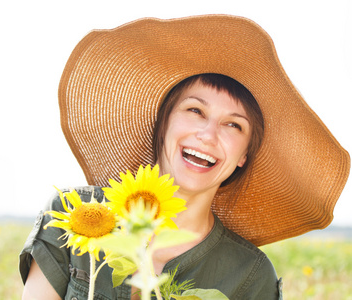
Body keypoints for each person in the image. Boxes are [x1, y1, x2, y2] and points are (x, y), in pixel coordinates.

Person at [19, 15, 350, 300]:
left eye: (233, 125)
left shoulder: (249, 275)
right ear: (164, 123)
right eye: (195, 110)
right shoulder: (76, 213)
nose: (208, 135)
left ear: (243, 156)